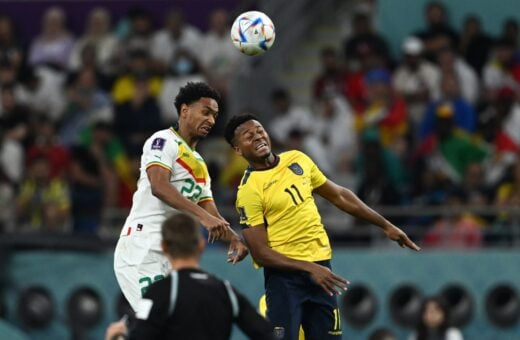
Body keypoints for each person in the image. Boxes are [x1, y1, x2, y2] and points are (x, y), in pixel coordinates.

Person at [224, 114, 420, 340]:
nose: (257, 137)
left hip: (322, 271)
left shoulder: (297, 160)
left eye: (259, 130)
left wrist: (385, 225)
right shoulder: (249, 191)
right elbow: (261, 253)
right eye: (249, 137)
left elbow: (339, 196)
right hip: (285, 280)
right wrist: (309, 268)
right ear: (238, 150)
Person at [114, 82, 247, 311]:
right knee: (161, 322)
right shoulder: (163, 141)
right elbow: (159, 186)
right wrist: (203, 218)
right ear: (185, 110)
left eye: (215, 115)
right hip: (142, 247)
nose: (211, 121)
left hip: (170, 254)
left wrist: (235, 238)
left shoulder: (200, 164)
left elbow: (210, 212)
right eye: (205, 112)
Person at [106, 212, 274, 340]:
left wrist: (117, 336)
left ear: (164, 247)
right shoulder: (226, 291)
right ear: (201, 246)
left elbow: (140, 335)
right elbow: (266, 333)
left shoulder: (159, 292)